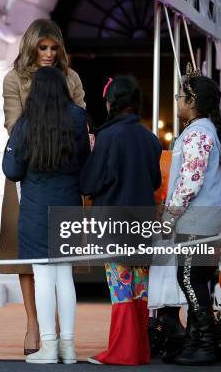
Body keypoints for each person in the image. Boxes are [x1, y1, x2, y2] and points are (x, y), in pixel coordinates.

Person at [0, 18, 85, 355]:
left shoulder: (72, 77)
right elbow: (12, 123)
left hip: (56, 170)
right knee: (30, 261)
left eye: (54, 47)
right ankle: (34, 325)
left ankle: (57, 336)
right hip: (28, 168)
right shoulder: (14, 78)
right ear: (31, 46)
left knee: (56, 263)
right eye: (43, 47)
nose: (49, 54)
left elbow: (80, 122)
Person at [80, 76, 162, 365]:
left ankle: (122, 351)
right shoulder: (150, 139)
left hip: (114, 224)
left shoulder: (108, 137)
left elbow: (90, 183)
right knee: (139, 289)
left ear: (111, 103)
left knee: (120, 289)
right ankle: (139, 349)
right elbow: (154, 181)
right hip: (143, 224)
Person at [164, 66, 221, 365]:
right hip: (207, 220)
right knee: (199, 280)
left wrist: (170, 214)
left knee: (190, 279)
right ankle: (197, 341)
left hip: (196, 221)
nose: (178, 100)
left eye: (181, 96)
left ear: (192, 101)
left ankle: (205, 343)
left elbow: (189, 181)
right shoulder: (205, 130)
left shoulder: (197, 133)